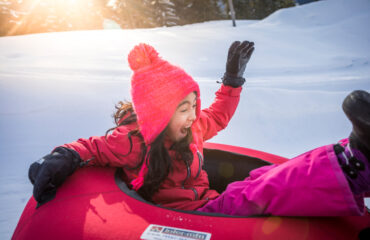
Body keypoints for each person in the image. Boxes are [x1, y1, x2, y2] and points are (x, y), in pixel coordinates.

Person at [28, 41, 370, 216]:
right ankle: (352, 167)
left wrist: (233, 81)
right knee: (252, 194)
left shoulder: (190, 129)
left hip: (210, 201)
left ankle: (349, 158)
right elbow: (91, 147)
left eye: (194, 104)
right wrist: (60, 158)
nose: (194, 116)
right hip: (184, 218)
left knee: (259, 179)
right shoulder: (136, 143)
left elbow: (218, 114)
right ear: (158, 114)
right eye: (183, 108)